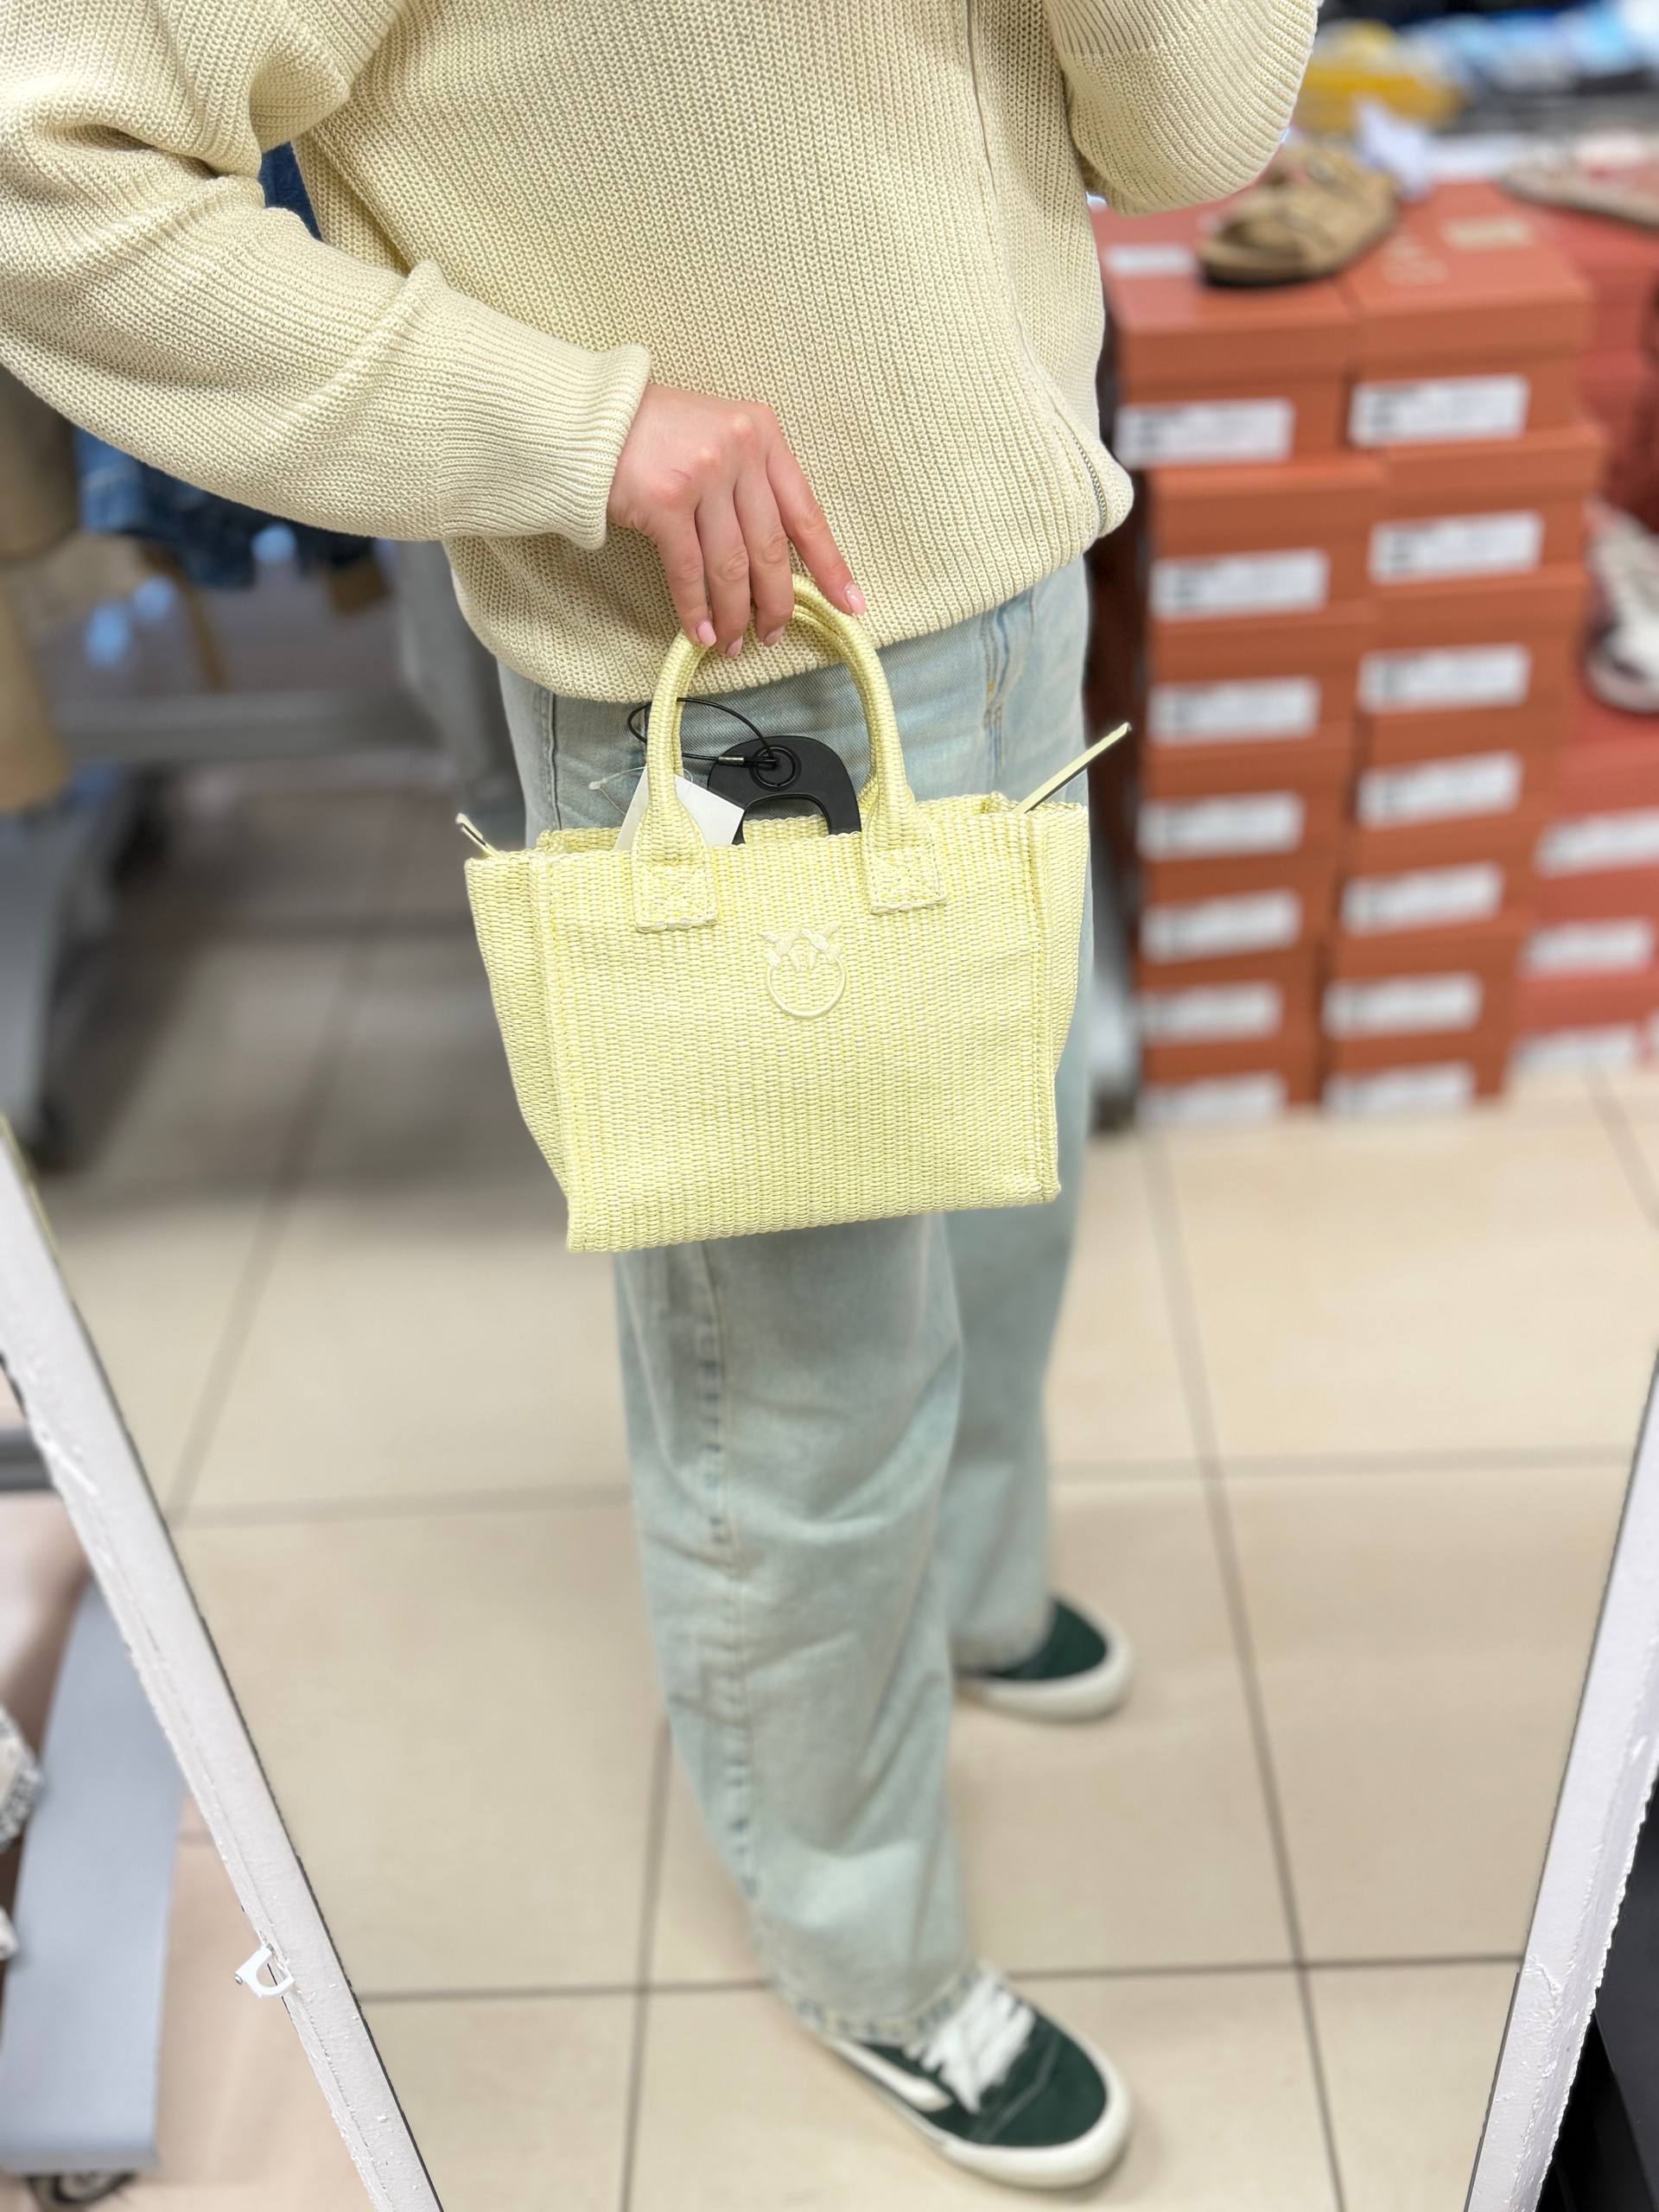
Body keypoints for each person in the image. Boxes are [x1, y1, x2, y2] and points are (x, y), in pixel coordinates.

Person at [0, 1, 1314, 2186]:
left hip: (1015, 541)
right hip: (717, 649)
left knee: (1010, 1188)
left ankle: (975, 1586)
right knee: (799, 1370)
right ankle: (859, 1935)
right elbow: (40, 168)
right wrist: (567, 428)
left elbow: (1190, 131)